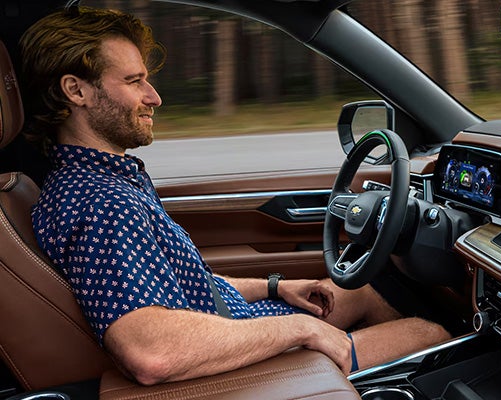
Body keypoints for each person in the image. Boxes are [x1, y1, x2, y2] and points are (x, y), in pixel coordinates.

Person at [20, 6, 450, 386]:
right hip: (226, 363)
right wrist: (303, 331)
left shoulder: (101, 179)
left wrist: (275, 287)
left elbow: (184, 284)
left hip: (223, 325)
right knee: (427, 336)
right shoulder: (101, 204)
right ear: (76, 91)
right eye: (134, 81)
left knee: (359, 291)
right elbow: (151, 352)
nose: (155, 97)